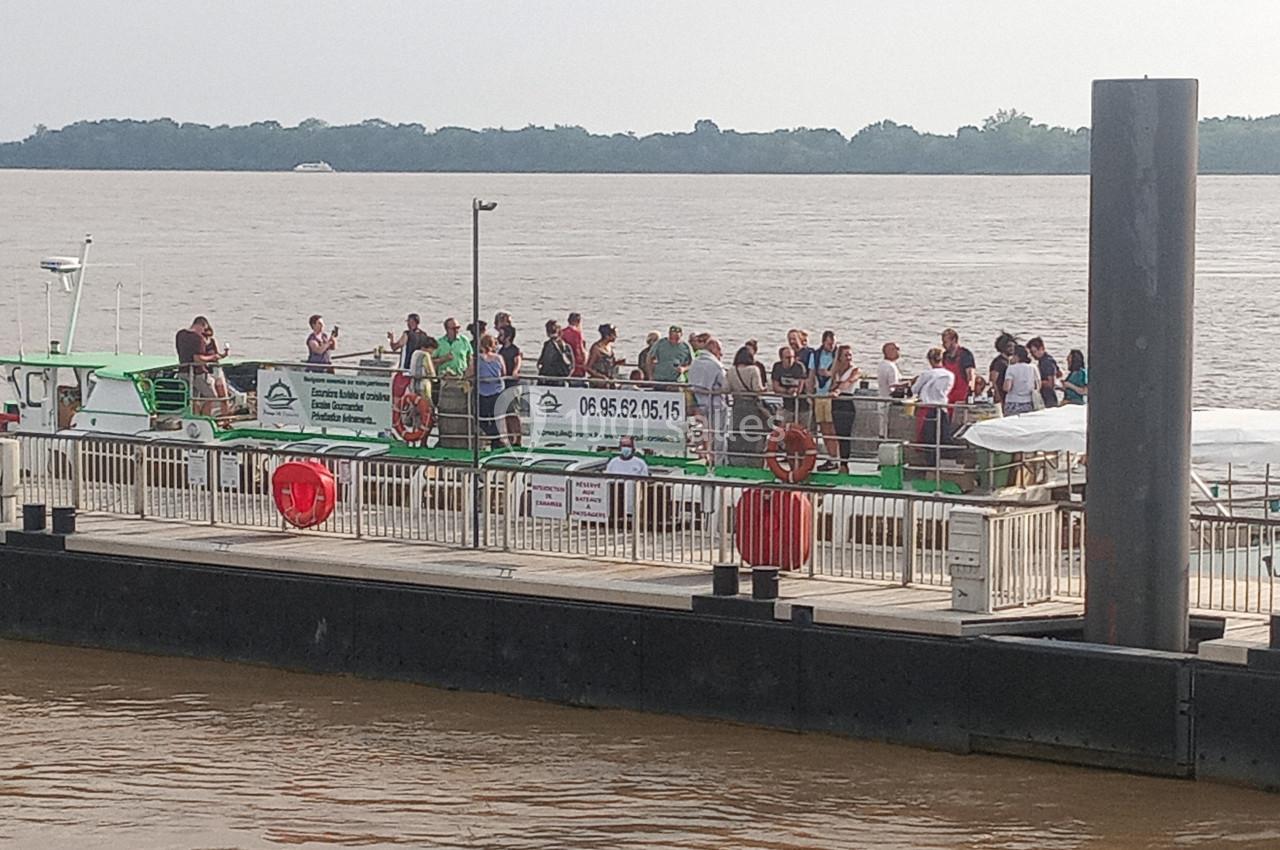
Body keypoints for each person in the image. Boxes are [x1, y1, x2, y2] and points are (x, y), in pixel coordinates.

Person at [912, 347, 955, 468]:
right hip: (942, 408)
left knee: (928, 440)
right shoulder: (950, 375)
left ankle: (930, 466)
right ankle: (941, 465)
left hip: (927, 409)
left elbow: (914, 389)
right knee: (942, 438)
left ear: (930, 360)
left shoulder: (926, 374)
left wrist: (913, 382)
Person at [725, 345, 767, 467]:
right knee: (752, 434)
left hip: (737, 406)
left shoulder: (731, 370)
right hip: (751, 406)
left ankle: (736, 459)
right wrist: (765, 389)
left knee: (737, 432)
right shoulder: (754, 370)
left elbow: (726, 388)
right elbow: (757, 389)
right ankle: (752, 460)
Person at [688, 337, 727, 466]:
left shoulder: (695, 362)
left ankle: (704, 458)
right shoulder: (715, 365)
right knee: (719, 437)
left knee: (703, 436)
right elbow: (724, 385)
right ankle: (718, 463)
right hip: (715, 405)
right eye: (720, 349)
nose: (721, 353)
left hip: (699, 404)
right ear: (714, 348)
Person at [175, 316, 223, 416]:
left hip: (182, 371)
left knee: (194, 399)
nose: (204, 332)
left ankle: (195, 417)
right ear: (202, 325)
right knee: (212, 397)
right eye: (204, 329)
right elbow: (198, 358)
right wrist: (213, 357)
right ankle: (205, 418)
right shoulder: (198, 338)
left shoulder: (180, 334)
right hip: (197, 373)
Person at [465, 333, 507, 447]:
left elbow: (469, 373)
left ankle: (494, 438)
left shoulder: (477, 359)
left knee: (480, 418)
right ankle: (496, 439)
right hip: (497, 391)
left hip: (483, 392)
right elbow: (504, 373)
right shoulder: (499, 358)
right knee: (495, 418)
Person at [806, 330, 839, 468]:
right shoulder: (816, 355)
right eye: (829, 343)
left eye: (833, 343)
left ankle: (836, 457)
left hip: (832, 396)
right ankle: (831, 457)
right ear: (823, 342)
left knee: (833, 428)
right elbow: (811, 375)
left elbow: (841, 372)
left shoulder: (838, 355)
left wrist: (829, 373)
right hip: (820, 395)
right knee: (824, 428)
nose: (831, 346)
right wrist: (809, 394)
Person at [828, 345, 862, 469]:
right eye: (845, 355)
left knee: (845, 434)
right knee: (837, 433)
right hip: (836, 402)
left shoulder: (855, 369)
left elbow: (850, 381)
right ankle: (837, 460)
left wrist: (838, 390)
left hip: (847, 401)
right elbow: (830, 385)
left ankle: (844, 463)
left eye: (850, 355)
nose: (848, 358)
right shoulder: (836, 371)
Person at [604, 436, 650, 519]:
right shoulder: (613, 462)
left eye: (628, 446)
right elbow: (607, 480)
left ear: (633, 448)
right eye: (623, 445)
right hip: (616, 504)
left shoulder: (640, 463)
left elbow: (645, 481)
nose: (626, 448)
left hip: (634, 503)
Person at [770, 345, 809, 424]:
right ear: (781, 358)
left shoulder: (799, 367)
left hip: (803, 406)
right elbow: (775, 387)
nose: (790, 360)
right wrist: (787, 391)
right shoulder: (777, 367)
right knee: (785, 428)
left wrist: (795, 390)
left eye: (792, 357)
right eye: (787, 358)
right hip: (787, 405)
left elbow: (800, 387)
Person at [940, 328, 976, 407]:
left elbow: (971, 377)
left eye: (945, 342)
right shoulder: (944, 356)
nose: (943, 345)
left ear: (954, 340)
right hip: (947, 397)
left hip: (961, 399)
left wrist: (970, 394)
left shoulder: (965, 355)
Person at [875, 342, 904, 439]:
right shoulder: (891, 367)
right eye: (896, 349)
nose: (898, 351)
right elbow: (893, 387)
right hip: (888, 402)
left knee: (882, 428)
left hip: (881, 399)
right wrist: (909, 384)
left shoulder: (882, 365)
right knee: (886, 428)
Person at [203, 322, 232, 417]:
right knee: (210, 398)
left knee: (224, 396)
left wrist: (223, 354)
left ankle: (226, 419)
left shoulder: (212, 341)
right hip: (207, 371)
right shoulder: (199, 342)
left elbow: (216, 355)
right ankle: (207, 417)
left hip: (216, 369)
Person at [1002, 345, 1039, 416]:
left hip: (1013, 402)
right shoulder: (1033, 367)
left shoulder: (1011, 368)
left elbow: (1007, 388)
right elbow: (1038, 386)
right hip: (1029, 402)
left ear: (1016, 356)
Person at [1027, 337, 1062, 408]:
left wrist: (1037, 381)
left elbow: (1050, 384)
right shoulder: (1049, 359)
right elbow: (1059, 373)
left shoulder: (1046, 362)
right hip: (1050, 395)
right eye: (1031, 352)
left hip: (1048, 396)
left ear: (1041, 348)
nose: (1033, 355)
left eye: (1034, 351)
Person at [537, 319, 573, 383]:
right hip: (550, 378)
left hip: (555, 379)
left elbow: (571, 365)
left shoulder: (563, 346)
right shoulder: (547, 344)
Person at [988, 332, 1016, 407]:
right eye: (1009, 346)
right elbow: (992, 380)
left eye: (1013, 346)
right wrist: (997, 396)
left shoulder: (1008, 361)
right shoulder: (999, 362)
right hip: (1000, 395)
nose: (1012, 349)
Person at [561, 312, 587, 380]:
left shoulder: (562, 332)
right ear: (578, 321)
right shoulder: (577, 333)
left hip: (565, 364)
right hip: (576, 365)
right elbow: (580, 350)